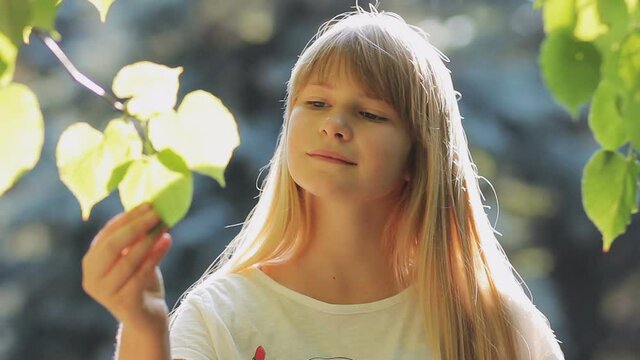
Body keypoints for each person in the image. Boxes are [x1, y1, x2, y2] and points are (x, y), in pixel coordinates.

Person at [82, 5, 565, 360]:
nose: (335, 124)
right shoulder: (222, 318)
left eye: (371, 112)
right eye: (315, 103)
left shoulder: (492, 328)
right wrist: (142, 330)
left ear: (420, 156)